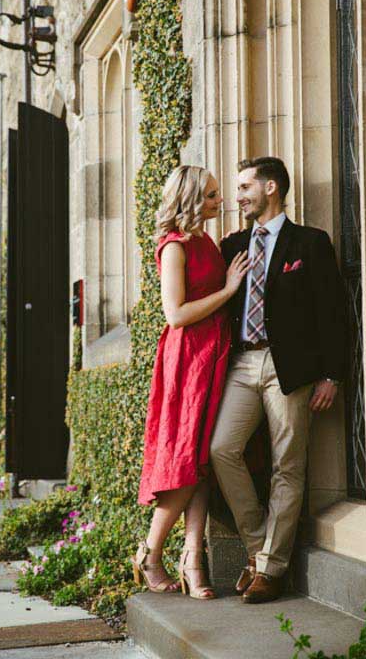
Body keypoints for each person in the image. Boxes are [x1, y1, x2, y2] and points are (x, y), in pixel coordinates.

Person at [211, 156, 347, 603]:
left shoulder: (310, 243)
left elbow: (332, 313)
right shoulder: (232, 245)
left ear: (272, 188)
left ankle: (271, 569)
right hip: (241, 364)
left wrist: (332, 373)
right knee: (221, 449)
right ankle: (257, 549)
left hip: (290, 369)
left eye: (245, 185)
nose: (238, 195)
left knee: (288, 464)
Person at [133, 165, 250, 599]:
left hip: (214, 354)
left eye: (219, 194)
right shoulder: (175, 247)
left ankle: (192, 559)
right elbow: (176, 314)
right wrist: (229, 289)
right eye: (213, 196)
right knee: (185, 462)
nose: (221, 202)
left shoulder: (206, 241)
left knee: (202, 461)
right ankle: (149, 554)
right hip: (187, 360)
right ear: (191, 200)